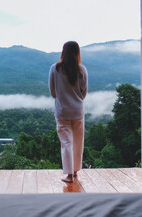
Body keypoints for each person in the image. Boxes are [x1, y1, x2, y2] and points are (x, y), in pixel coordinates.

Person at [48, 41, 88, 183]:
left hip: (62, 112)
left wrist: (62, 98)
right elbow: (84, 92)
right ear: (77, 53)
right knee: (78, 142)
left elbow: (52, 91)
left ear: (63, 52)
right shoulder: (82, 69)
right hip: (78, 112)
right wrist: (76, 100)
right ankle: (75, 171)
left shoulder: (55, 68)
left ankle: (69, 175)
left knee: (66, 143)